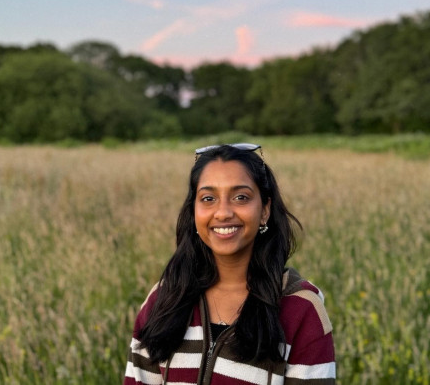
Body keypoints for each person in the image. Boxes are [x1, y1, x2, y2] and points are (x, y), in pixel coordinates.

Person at [123, 143, 336, 385]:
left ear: (264, 210)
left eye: (241, 197)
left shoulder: (301, 310)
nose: (222, 212)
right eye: (208, 198)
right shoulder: (164, 299)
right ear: (194, 211)